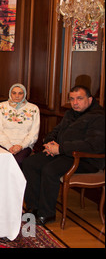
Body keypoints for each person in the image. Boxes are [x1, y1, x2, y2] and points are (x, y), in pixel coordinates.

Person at [22, 85, 105, 225]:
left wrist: (60, 149)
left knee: (50, 170)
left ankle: (46, 214)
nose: (75, 103)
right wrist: (49, 143)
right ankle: (33, 208)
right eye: (72, 99)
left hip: (86, 159)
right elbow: (55, 131)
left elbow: (93, 145)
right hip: (63, 153)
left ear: (90, 100)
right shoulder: (70, 114)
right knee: (30, 163)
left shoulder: (99, 117)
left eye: (79, 98)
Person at [0, 83, 40, 165]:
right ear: (10, 93)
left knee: (17, 161)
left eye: (20, 93)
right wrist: (9, 146)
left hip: (24, 145)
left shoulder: (33, 108)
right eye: (14, 93)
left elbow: (33, 133)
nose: (17, 96)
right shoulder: (1, 107)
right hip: (3, 143)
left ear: (24, 94)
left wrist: (21, 146)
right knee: (1, 160)